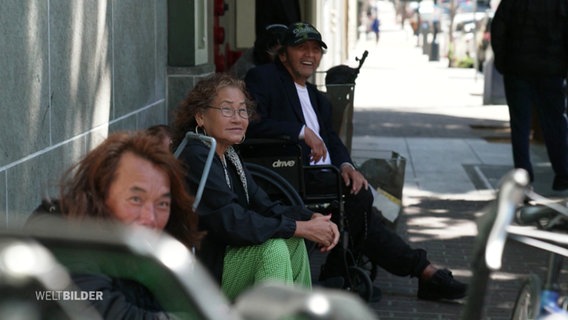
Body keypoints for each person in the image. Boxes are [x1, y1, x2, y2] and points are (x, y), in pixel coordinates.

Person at [244, 22, 467, 301]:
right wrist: (300, 131)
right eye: (301, 48)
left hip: (322, 174)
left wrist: (348, 166)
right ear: (283, 54)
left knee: (360, 200)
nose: (310, 55)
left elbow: (333, 142)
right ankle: (360, 271)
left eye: (316, 50)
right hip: (287, 175)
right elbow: (249, 125)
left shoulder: (317, 98)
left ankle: (414, 271)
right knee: (359, 204)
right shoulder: (263, 78)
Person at [171, 73, 340, 301]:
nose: (237, 119)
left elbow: (264, 205)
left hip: (224, 257)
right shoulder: (197, 155)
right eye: (227, 110)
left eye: (242, 111)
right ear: (200, 116)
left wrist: (312, 218)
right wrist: (298, 227)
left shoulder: (228, 154)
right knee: (273, 251)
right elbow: (232, 221)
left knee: (294, 242)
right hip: (200, 272)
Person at [31, 131, 204, 319]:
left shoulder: (141, 247)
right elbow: (103, 312)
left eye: (162, 203)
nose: (150, 218)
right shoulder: (62, 233)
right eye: (136, 199)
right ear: (99, 192)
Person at [491, 0, 568, 191]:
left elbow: (498, 28)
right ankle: (563, 173)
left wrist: (503, 63)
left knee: (520, 126)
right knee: (555, 123)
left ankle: (523, 178)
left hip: (517, 69)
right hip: (551, 70)